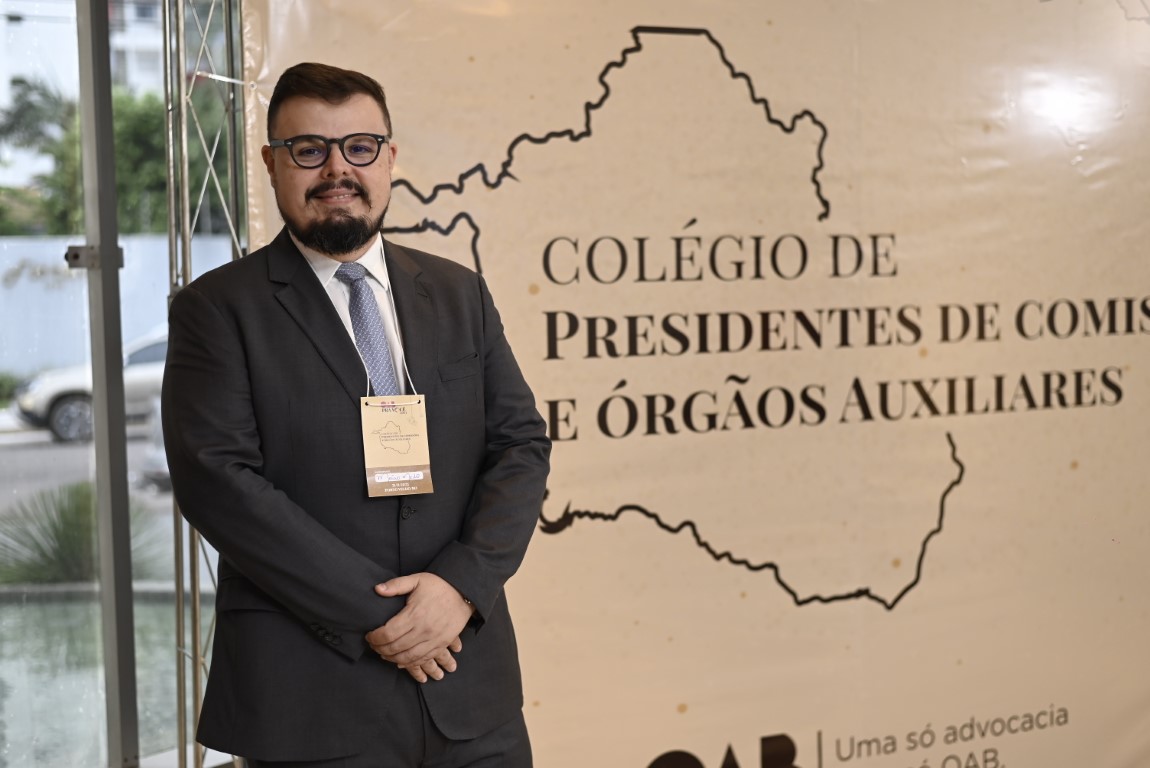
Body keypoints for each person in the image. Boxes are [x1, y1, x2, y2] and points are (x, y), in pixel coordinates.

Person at [162, 61, 551, 767]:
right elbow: (219, 484)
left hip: (471, 693)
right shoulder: (216, 311)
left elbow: (520, 445)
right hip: (312, 702)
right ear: (271, 164)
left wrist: (460, 588)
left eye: (360, 147)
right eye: (309, 149)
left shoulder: (459, 293)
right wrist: (390, 617)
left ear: (389, 158)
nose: (337, 169)